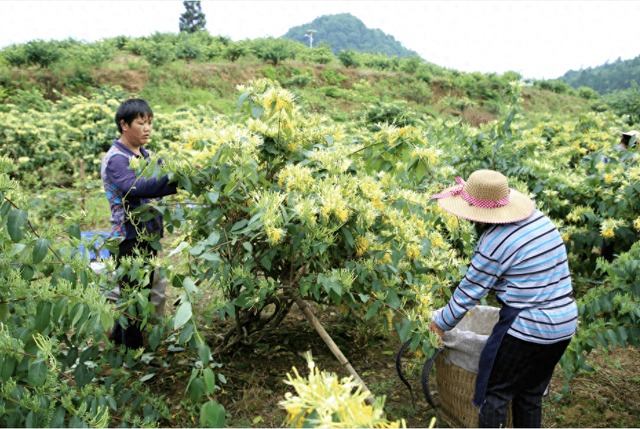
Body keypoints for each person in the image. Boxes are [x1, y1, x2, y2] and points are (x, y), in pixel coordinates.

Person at [428, 169, 578, 428]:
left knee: (496, 393)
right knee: (530, 394)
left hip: (528, 327)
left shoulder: (494, 241)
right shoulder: (539, 220)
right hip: (564, 322)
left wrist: (440, 323)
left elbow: (469, 291)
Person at [101, 98, 177, 350]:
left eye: (150, 123)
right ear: (124, 125)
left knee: (140, 293)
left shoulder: (147, 156)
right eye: (141, 123)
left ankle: (118, 343)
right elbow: (136, 187)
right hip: (128, 237)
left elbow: (164, 180)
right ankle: (133, 354)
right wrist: (175, 179)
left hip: (148, 234)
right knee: (133, 296)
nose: (147, 128)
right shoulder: (116, 159)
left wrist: (187, 174)